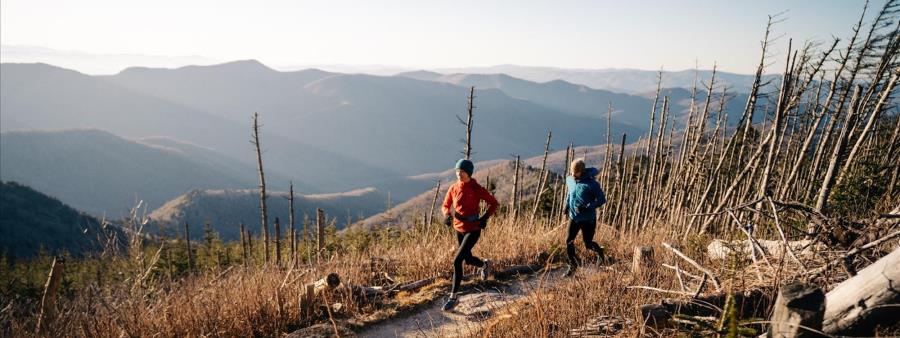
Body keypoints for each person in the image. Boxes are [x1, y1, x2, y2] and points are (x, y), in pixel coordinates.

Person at [440, 159, 499, 311]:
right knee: (466, 258)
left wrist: (484, 217)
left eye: (462, 171)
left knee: (457, 261)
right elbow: (445, 205)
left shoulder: (476, 188)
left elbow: (494, 203)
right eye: (457, 171)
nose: (459, 174)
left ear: (469, 173)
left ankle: (453, 298)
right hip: (458, 228)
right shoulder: (453, 188)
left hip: (473, 229)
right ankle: (485, 264)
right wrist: (447, 215)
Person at [563, 158, 607, 277]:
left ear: (581, 171)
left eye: (575, 172)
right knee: (568, 241)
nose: (573, 174)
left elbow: (602, 200)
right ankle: (572, 266)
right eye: (571, 172)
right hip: (574, 218)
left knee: (588, 244)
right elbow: (569, 193)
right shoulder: (570, 180)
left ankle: (600, 253)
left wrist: (587, 207)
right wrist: (566, 206)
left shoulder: (592, 184)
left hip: (588, 219)